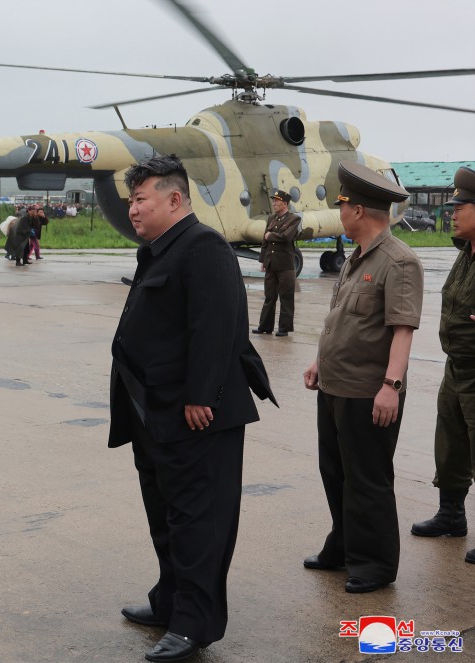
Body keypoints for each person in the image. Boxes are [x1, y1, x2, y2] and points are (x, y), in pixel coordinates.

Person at [109, 155, 274, 663]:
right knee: (167, 516)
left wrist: (202, 395)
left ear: (174, 199)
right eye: (131, 200)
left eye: (140, 199)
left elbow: (218, 328)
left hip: (195, 416)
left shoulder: (203, 248)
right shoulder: (160, 251)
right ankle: (169, 601)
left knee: (199, 521)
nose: (132, 209)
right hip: (155, 414)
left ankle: (194, 625)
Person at [302, 161, 421, 594]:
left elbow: (402, 330)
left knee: (367, 479)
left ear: (360, 210)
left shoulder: (399, 261)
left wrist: (391, 387)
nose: (339, 213)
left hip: (369, 392)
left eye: (342, 205)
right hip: (335, 386)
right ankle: (345, 544)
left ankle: (375, 563)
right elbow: (344, 321)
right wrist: (320, 362)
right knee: (334, 473)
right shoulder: (355, 258)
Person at [410, 165, 475, 565]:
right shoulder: (465, 253)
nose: (452, 212)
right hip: (457, 367)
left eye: (461, 206)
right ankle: (451, 514)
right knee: (450, 444)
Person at [253, 189, 301, 336]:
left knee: (286, 297)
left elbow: (286, 237)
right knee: (269, 297)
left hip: (285, 265)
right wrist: (263, 260)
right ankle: (265, 326)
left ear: (285, 203)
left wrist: (270, 235)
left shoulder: (294, 219)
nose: (273, 203)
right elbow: (264, 241)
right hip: (271, 264)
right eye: (273, 200)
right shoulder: (271, 218)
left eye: (276, 201)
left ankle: (284, 328)